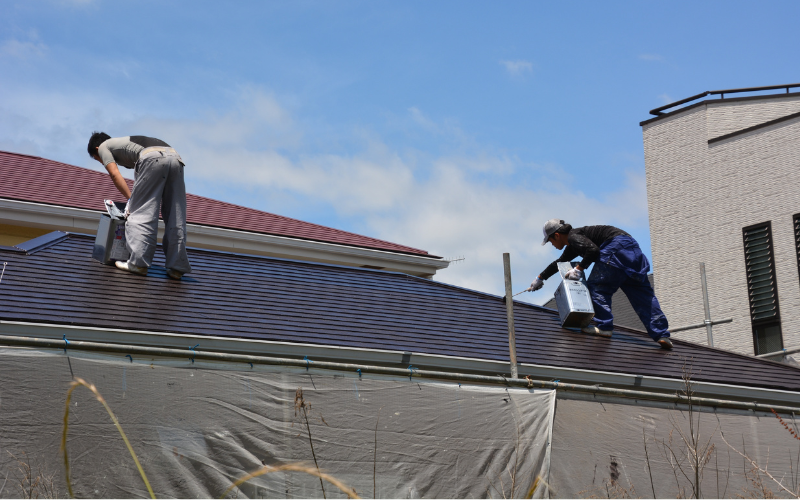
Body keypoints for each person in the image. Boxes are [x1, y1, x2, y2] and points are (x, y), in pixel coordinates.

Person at [528, 219, 672, 349]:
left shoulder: (573, 237)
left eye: (550, 241)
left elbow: (593, 250)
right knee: (643, 296)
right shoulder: (574, 242)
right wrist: (540, 278)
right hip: (632, 249)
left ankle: (604, 327)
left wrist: (578, 269)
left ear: (557, 235)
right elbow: (559, 263)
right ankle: (662, 335)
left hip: (616, 247)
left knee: (596, 287)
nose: (552, 244)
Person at [87, 132, 192, 280]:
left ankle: (138, 263)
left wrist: (132, 199)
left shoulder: (104, 147)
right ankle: (177, 267)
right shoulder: (125, 144)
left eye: (99, 160)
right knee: (176, 214)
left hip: (153, 158)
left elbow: (115, 174)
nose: (103, 162)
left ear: (97, 149)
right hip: (176, 159)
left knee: (141, 212)